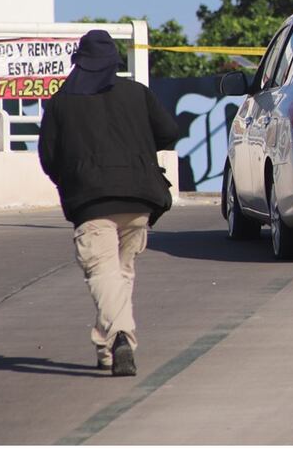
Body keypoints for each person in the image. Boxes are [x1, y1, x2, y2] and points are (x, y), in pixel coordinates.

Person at [39, 29, 179, 376]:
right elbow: (170, 134)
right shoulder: (137, 93)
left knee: (102, 273)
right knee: (120, 274)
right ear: (113, 62)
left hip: (91, 202)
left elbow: (48, 157)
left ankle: (120, 339)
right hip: (138, 201)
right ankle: (108, 349)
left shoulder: (61, 102)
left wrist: (71, 181)